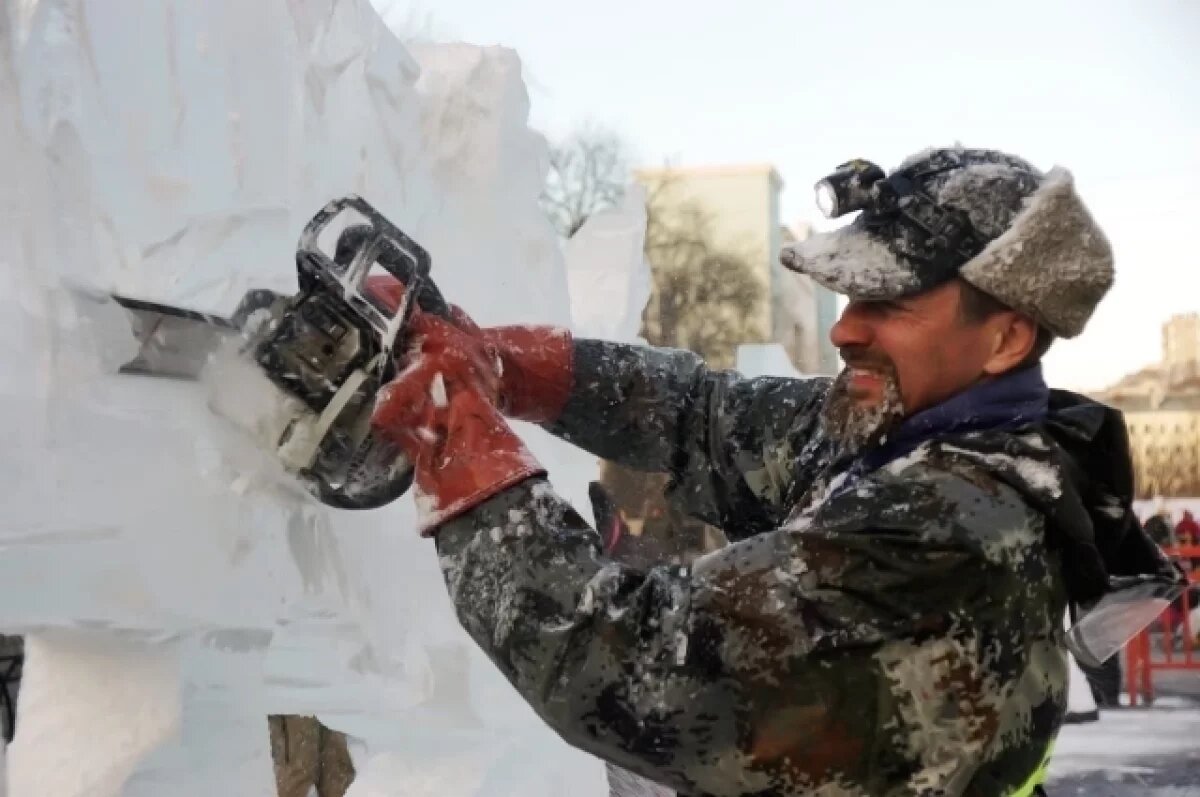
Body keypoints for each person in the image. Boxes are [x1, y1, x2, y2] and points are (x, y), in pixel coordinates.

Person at [370, 148, 1176, 796]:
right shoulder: (896, 433)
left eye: (888, 303)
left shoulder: (950, 533)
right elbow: (701, 413)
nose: (845, 330)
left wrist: (461, 442)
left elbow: (630, 662)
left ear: (1005, 339)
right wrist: (507, 366)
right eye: (848, 295)